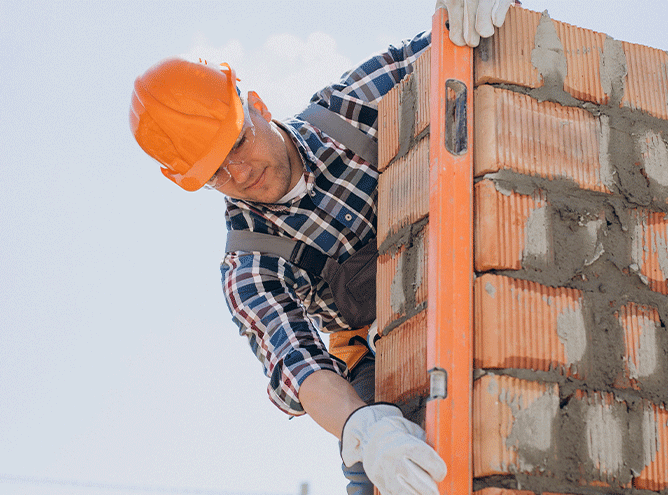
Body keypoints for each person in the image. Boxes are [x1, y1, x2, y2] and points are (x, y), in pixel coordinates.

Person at [129, 1, 513, 494]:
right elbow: (298, 363)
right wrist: (365, 430)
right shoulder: (250, 262)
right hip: (378, 358)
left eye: (238, 144)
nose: (240, 174)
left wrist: (475, 10)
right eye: (215, 174)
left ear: (258, 106)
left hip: (467, 274)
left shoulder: (355, 108)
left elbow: (460, 39)